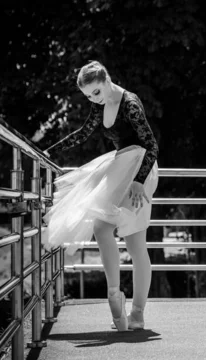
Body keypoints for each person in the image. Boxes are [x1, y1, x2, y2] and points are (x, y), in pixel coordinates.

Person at [43, 60, 159, 332]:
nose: (93, 99)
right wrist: (50, 151)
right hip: (120, 165)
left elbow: (152, 145)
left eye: (96, 92)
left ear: (107, 80)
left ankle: (138, 313)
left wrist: (139, 182)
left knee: (135, 244)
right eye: (88, 96)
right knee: (101, 226)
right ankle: (114, 293)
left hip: (140, 169)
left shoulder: (130, 104)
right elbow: (84, 132)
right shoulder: (100, 104)